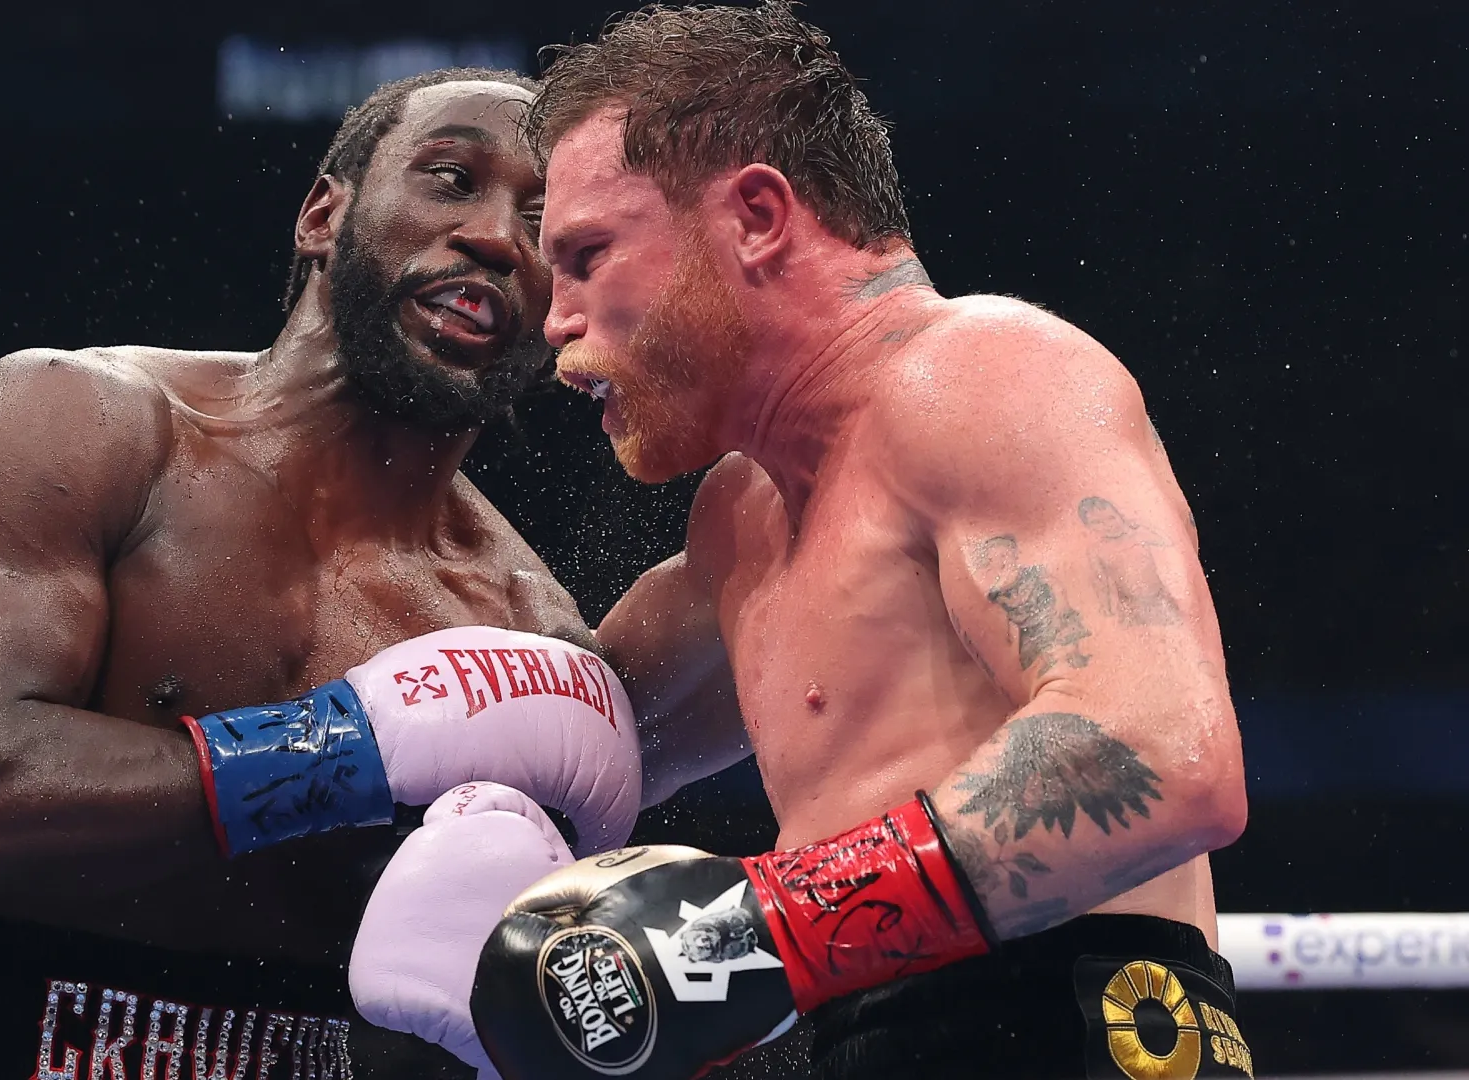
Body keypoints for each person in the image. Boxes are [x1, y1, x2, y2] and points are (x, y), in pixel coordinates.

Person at [464, 5, 1257, 1078]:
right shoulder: (738, 523)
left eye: (587, 255)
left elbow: (1162, 756)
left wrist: (764, 932)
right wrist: (321, 754)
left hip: (1077, 1025)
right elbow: (567, 739)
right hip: (872, 1036)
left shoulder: (984, 375)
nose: (553, 318)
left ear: (755, 215)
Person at [0, 67, 645, 1080]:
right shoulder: (82, 423)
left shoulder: (524, 634)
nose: (498, 237)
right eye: (451, 177)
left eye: (546, 225)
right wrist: (347, 751)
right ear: (324, 214)